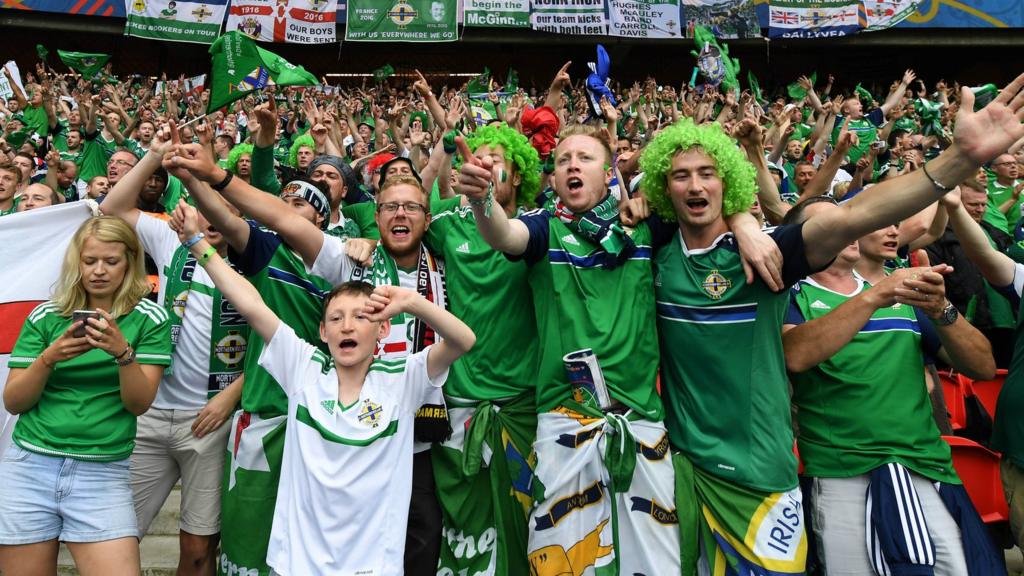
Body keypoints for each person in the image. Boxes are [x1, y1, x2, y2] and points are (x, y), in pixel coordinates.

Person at [638, 71, 1024, 575]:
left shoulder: (768, 255)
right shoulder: (651, 251)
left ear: (727, 181)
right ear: (662, 186)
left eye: (708, 172)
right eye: (680, 174)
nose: (695, 184)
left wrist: (959, 160)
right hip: (681, 472)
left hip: (762, 475)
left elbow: (852, 215)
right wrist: (743, 219)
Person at [166, 199, 474, 576]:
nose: (347, 326)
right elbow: (251, 304)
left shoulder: (401, 379)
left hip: (373, 567)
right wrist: (198, 243)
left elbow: (462, 341)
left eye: (362, 317)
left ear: (381, 330)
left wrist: (411, 301)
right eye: (336, 318)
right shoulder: (304, 369)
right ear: (323, 332)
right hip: (298, 564)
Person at [782, 197, 1001, 575]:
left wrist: (941, 310)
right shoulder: (791, 295)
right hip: (843, 473)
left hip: (927, 469)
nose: (848, 228)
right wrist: (875, 294)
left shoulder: (905, 295)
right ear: (802, 242)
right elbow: (796, 354)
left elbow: (982, 366)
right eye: (832, 225)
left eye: (849, 220)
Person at [101, 132, 247, 576]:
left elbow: (271, 340)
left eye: (226, 208)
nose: (215, 216)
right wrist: (153, 155)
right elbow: (113, 210)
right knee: (115, 535)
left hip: (210, 419)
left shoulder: (254, 261)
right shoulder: (171, 242)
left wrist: (230, 397)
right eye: (205, 208)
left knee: (199, 548)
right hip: (149, 411)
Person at [0, 215, 171, 574]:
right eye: (90, 260)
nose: (99, 271)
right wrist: (49, 358)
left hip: (102, 471)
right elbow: (14, 401)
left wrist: (123, 353)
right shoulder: (46, 315)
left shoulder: (151, 318)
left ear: (130, 262)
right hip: (30, 466)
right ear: (76, 261)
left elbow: (138, 404)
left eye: (111, 261)